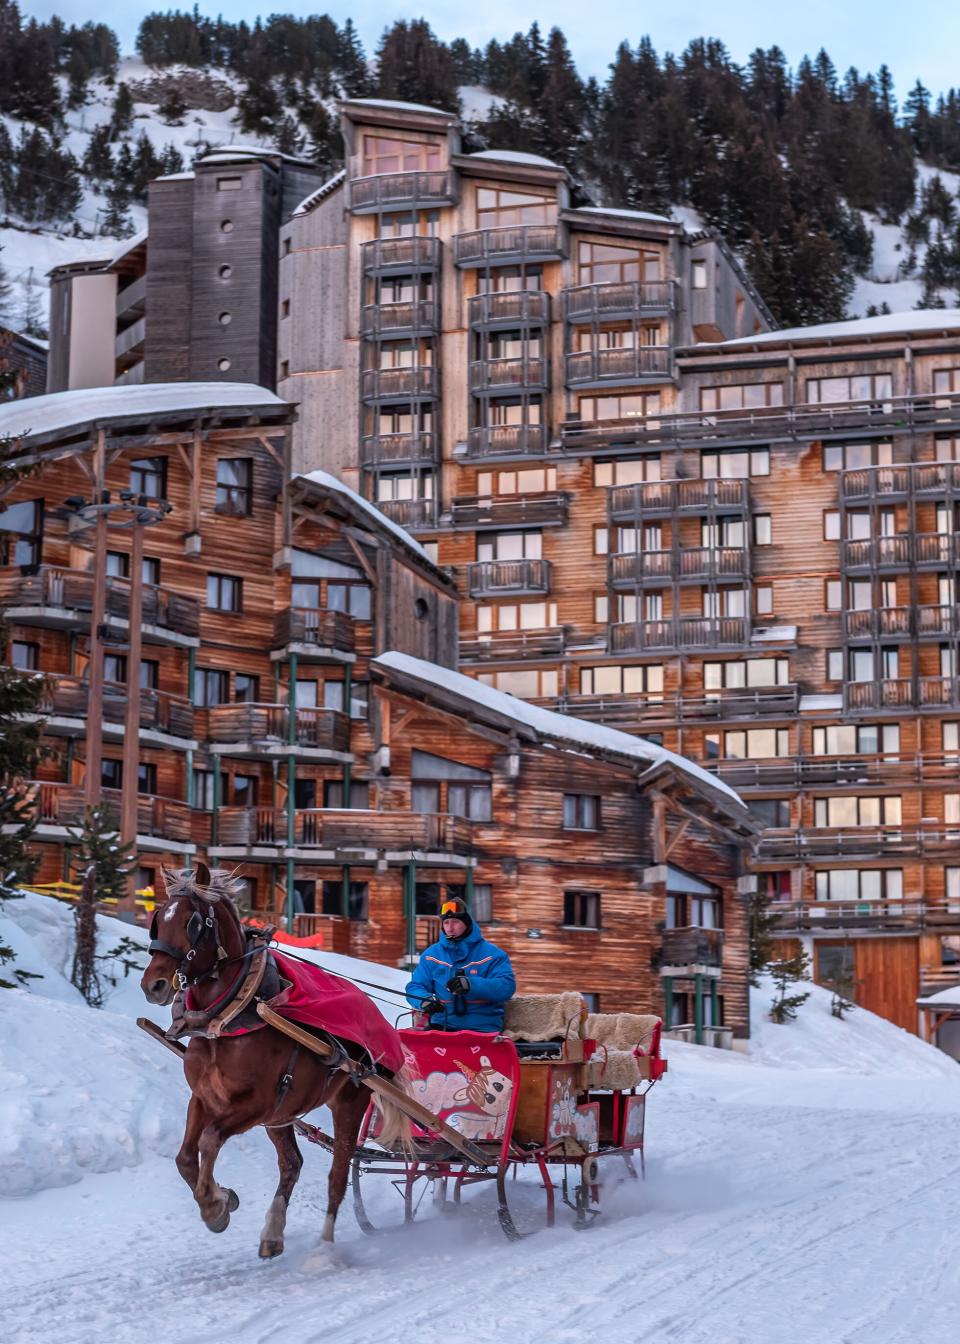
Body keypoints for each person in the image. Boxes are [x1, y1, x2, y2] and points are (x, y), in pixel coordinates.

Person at [405, 897, 516, 1032]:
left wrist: (471, 985)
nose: (450, 928)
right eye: (446, 923)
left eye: (456, 922)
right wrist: (425, 1000)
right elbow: (415, 986)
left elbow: (506, 987)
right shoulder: (431, 955)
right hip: (442, 1026)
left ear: (467, 923)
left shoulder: (493, 955)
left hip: (483, 1029)